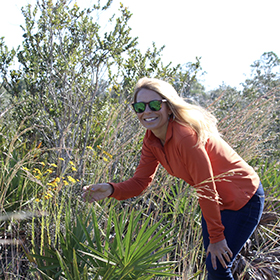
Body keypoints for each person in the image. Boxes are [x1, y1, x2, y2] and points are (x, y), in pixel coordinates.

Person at [82, 77, 265, 279]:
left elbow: (206, 188)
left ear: (168, 107)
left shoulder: (185, 137)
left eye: (154, 105)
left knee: (218, 267)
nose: (147, 112)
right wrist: (111, 189)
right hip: (216, 202)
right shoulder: (151, 140)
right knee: (214, 267)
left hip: (243, 198)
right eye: (140, 107)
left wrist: (217, 237)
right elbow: (140, 182)